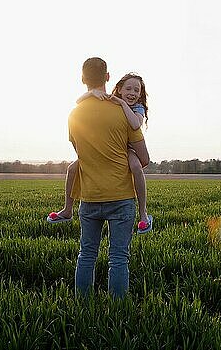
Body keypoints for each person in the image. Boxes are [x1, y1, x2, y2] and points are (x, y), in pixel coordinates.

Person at [64, 57, 150, 298]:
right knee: (118, 258)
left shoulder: (74, 114)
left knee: (87, 254)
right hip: (121, 196)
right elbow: (143, 159)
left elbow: (81, 155)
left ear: (83, 79)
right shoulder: (122, 112)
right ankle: (118, 312)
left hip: (89, 197)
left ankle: (82, 306)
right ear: (109, 78)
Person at [47, 73, 153, 234]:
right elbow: (78, 101)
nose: (132, 93)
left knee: (137, 167)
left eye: (137, 90)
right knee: (72, 169)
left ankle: (143, 214)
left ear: (140, 94)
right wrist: (91, 93)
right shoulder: (111, 100)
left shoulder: (137, 107)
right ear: (119, 89)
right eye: (128, 88)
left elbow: (135, 124)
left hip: (128, 148)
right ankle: (67, 210)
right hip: (108, 147)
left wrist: (122, 104)